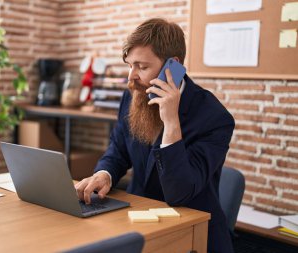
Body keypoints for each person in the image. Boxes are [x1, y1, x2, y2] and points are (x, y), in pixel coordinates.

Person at [75, 18, 235, 253]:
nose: (131, 77)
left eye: (142, 67)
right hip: (137, 222)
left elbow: (179, 192)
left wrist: (171, 121)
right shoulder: (133, 97)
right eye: (130, 65)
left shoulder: (214, 117)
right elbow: (118, 150)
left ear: (173, 66)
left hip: (192, 234)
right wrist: (105, 174)